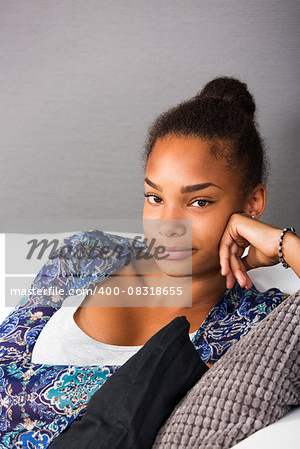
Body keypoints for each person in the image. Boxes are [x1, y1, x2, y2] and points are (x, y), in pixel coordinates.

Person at [0, 77, 299, 448]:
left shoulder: (253, 324)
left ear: (252, 203)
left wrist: (284, 244)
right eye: (155, 197)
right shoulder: (88, 253)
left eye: (198, 201)